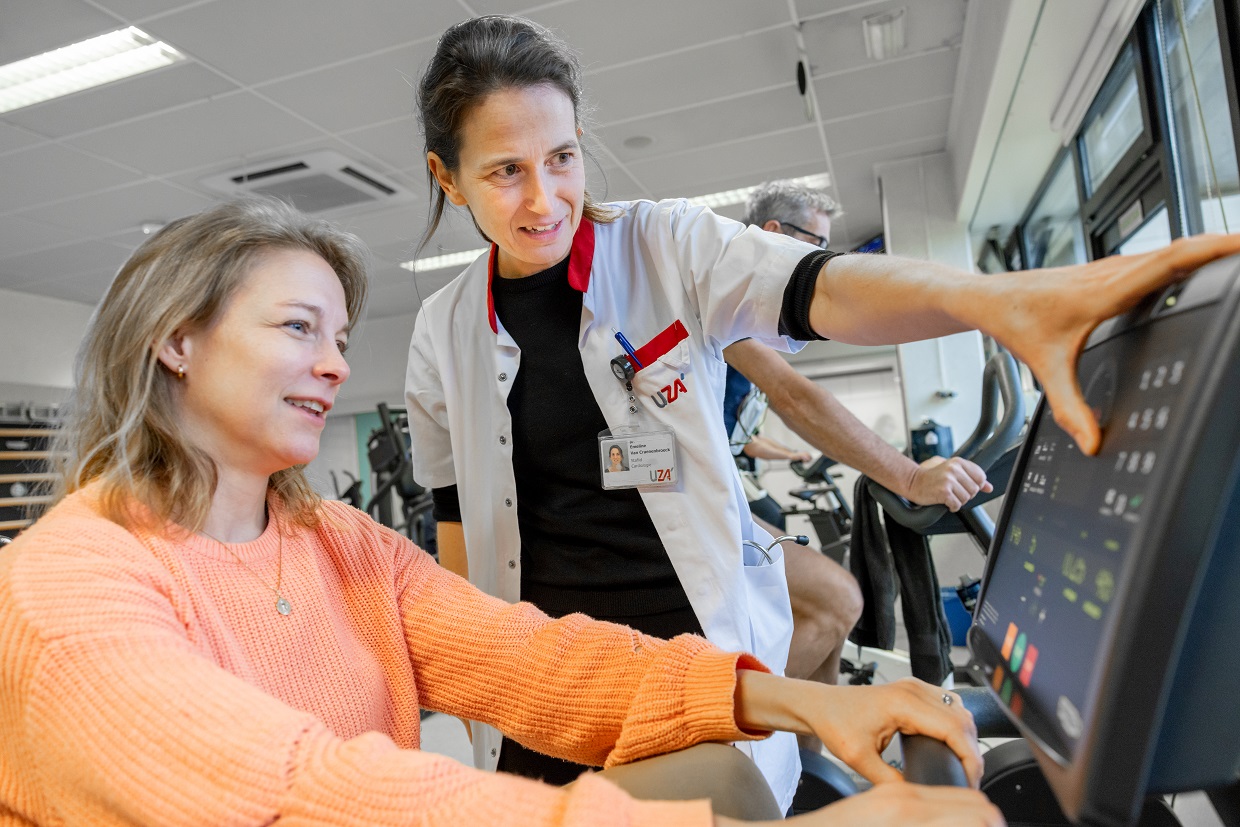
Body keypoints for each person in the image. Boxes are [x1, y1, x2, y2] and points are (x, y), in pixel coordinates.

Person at [403, 12, 1240, 807]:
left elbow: (821, 285)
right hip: (546, 693)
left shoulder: (661, 246)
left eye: (560, 159)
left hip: (696, 670)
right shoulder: (441, 333)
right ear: (449, 177)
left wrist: (996, 299)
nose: (545, 199)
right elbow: (458, 545)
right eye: (506, 171)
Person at [0, 198, 1000, 827]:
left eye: (341, 336)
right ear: (176, 342)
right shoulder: (71, 586)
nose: (336, 363)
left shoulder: (334, 541)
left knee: (723, 777)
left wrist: (795, 700)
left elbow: (537, 657)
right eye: (298, 328)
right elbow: (298, 790)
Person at [720, 181, 993, 700]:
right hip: (670, 496)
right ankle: (712, 734)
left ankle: (809, 767)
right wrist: (910, 476)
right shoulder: (722, 301)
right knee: (836, 600)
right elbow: (794, 398)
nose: (823, 259)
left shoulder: (750, 317)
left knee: (827, 621)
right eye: (816, 243)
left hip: (711, 485)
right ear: (774, 234)